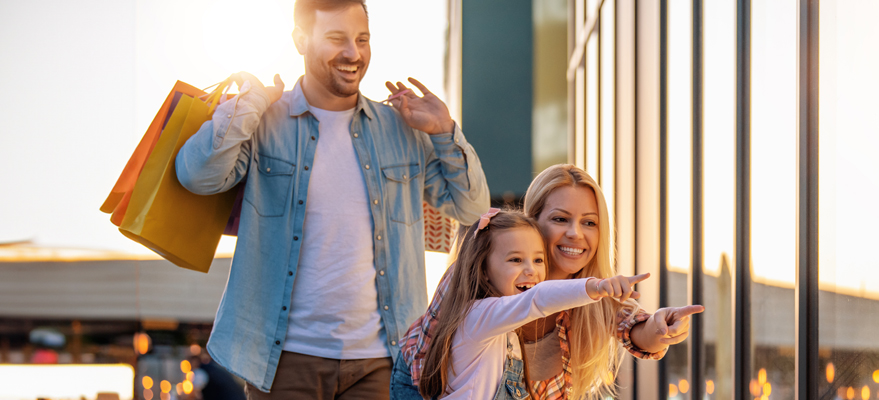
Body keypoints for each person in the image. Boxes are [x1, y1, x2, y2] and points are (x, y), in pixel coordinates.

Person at [175, 0, 490, 397]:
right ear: (300, 40)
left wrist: (445, 131)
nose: (353, 54)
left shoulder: (401, 129)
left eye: (362, 40)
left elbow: (473, 209)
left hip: (384, 359)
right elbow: (197, 176)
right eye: (337, 39)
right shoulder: (265, 121)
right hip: (283, 361)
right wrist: (250, 104)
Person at [392, 164, 703, 399]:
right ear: (533, 221)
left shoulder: (595, 298)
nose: (575, 233)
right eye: (560, 219)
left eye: (589, 223)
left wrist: (661, 329)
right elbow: (426, 360)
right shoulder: (479, 273)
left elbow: (635, 328)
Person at [417, 208, 650, 399]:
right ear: (484, 270)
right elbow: (537, 299)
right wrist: (596, 287)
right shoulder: (478, 316)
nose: (531, 270)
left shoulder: (507, 329)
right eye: (515, 260)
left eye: (538, 260)